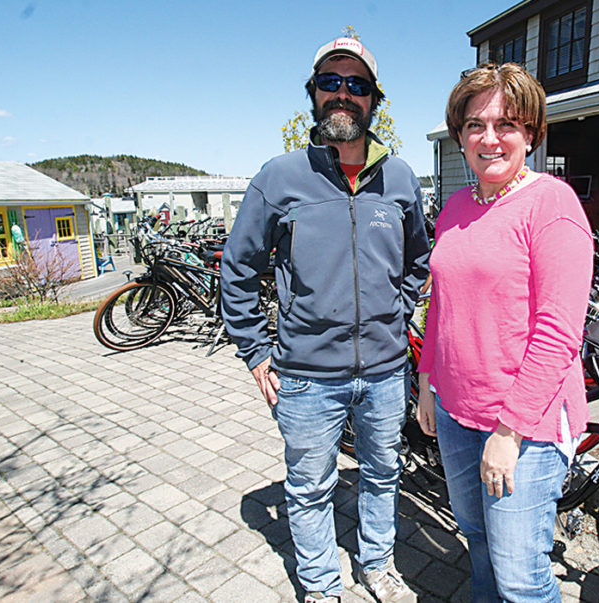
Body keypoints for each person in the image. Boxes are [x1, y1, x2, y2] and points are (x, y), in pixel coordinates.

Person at [220, 37, 431, 603]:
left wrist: (400, 310)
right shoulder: (280, 177)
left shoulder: (402, 179)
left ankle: (377, 565)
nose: (343, 94)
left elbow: (419, 258)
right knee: (310, 487)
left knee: (384, 476)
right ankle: (319, 586)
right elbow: (239, 268)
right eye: (331, 82)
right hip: (308, 377)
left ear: (374, 100)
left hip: (387, 373)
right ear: (313, 94)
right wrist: (255, 350)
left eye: (357, 85)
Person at [416, 63, 594, 601]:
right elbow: (441, 303)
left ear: (531, 134)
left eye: (506, 124)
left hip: (526, 429)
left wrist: (509, 432)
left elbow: (559, 332)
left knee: (521, 578)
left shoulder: (552, 204)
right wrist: (428, 381)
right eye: (475, 125)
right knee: (478, 542)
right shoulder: (454, 207)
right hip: (454, 412)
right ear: (460, 135)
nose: (489, 138)